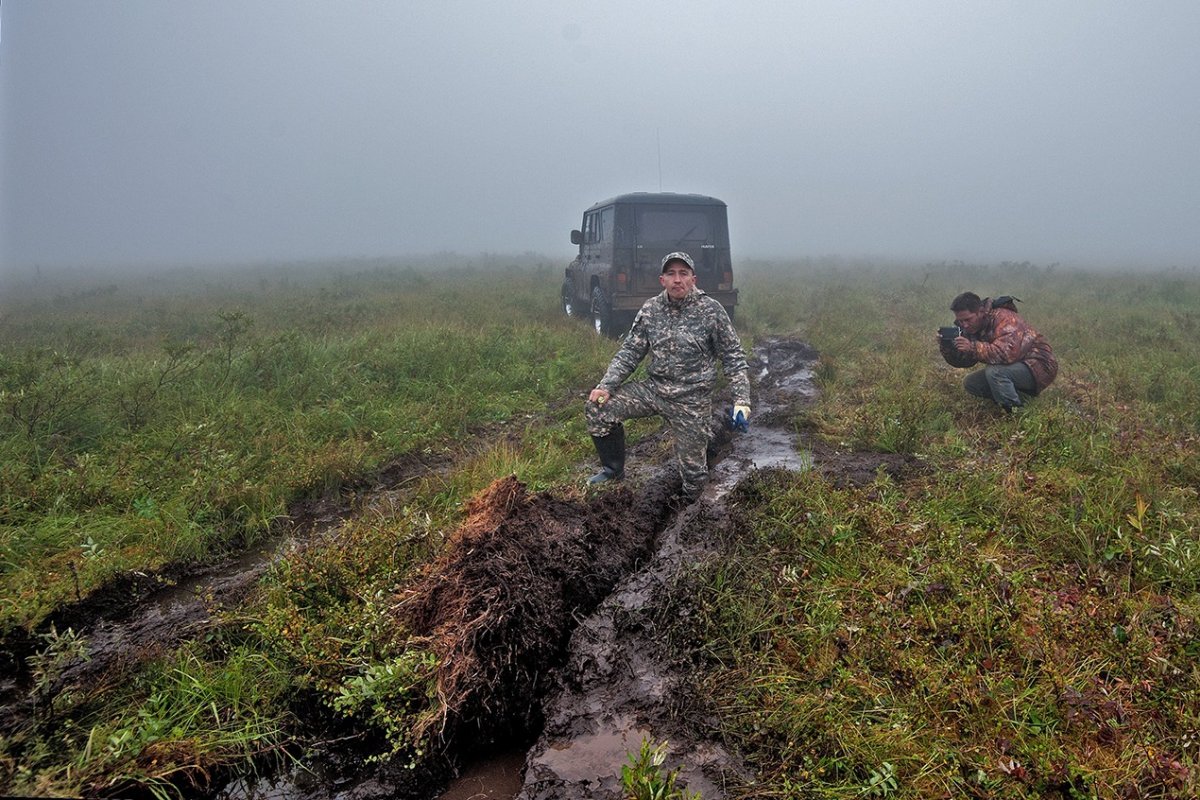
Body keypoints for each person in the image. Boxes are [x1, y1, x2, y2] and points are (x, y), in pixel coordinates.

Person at [585, 251, 751, 501]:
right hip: (654, 391)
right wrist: (605, 386)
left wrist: (741, 401)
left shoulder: (711, 311)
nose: (677, 280)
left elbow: (733, 358)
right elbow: (630, 351)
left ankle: (689, 513)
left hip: (691, 401)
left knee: (694, 481)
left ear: (693, 279)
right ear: (662, 280)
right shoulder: (651, 309)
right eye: (671, 274)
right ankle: (612, 471)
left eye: (683, 273)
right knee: (598, 408)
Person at [938, 292, 1057, 412]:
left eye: (968, 319)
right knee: (972, 383)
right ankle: (1024, 400)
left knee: (995, 372)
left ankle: (1014, 413)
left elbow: (1006, 354)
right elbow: (965, 362)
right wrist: (947, 346)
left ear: (980, 311)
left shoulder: (1005, 318)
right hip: (1014, 367)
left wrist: (973, 347)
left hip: (1040, 365)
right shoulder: (971, 327)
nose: (965, 325)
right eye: (961, 321)